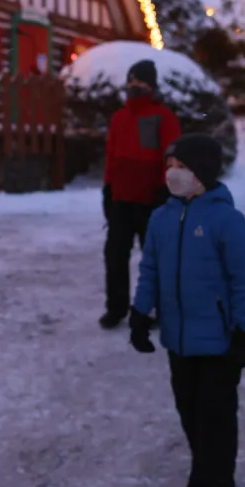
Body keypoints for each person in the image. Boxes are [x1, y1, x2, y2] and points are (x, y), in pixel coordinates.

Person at [129, 134, 245, 487]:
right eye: (170, 166)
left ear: (202, 172)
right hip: (178, 341)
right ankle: (211, 471)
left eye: (182, 167)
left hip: (219, 344)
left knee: (215, 420)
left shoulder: (226, 220)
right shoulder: (161, 218)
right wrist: (140, 314)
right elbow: (150, 269)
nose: (173, 174)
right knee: (190, 412)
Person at [100, 59, 181, 329]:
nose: (135, 86)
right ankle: (116, 308)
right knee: (115, 257)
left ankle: (154, 310)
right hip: (122, 200)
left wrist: (165, 189)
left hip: (152, 201)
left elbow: (172, 156)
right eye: (132, 80)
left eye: (141, 81)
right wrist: (108, 189)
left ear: (152, 85)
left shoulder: (163, 116)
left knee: (154, 261)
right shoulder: (119, 118)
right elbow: (112, 157)